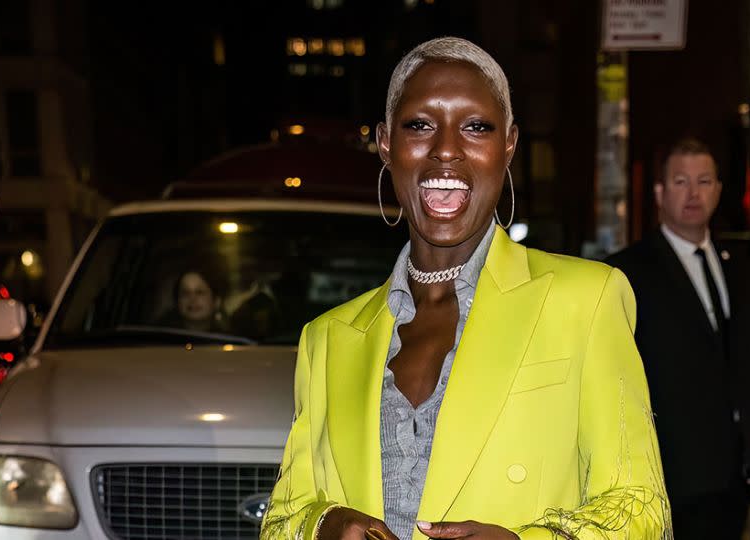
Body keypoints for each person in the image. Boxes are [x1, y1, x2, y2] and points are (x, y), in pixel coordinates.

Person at [262, 37, 671, 540]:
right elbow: (282, 517)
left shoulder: (586, 300)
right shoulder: (326, 340)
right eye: (420, 125)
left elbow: (642, 510)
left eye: (476, 127)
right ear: (386, 143)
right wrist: (324, 526)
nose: (447, 150)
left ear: (509, 145)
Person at [606, 138, 750, 540]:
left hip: (732, 473)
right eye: (681, 182)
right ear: (660, 193)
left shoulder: (736, 264)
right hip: (669, 472)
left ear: (718, 190)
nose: (693, 193)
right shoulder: (628, 272)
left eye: (704, 181)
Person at [160, 269, 226, 333]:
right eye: (185, 293)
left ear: (216, 301)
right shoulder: (159, 338)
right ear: (177, 301)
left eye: (199, 292)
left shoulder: (227, 341)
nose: (192, 298)